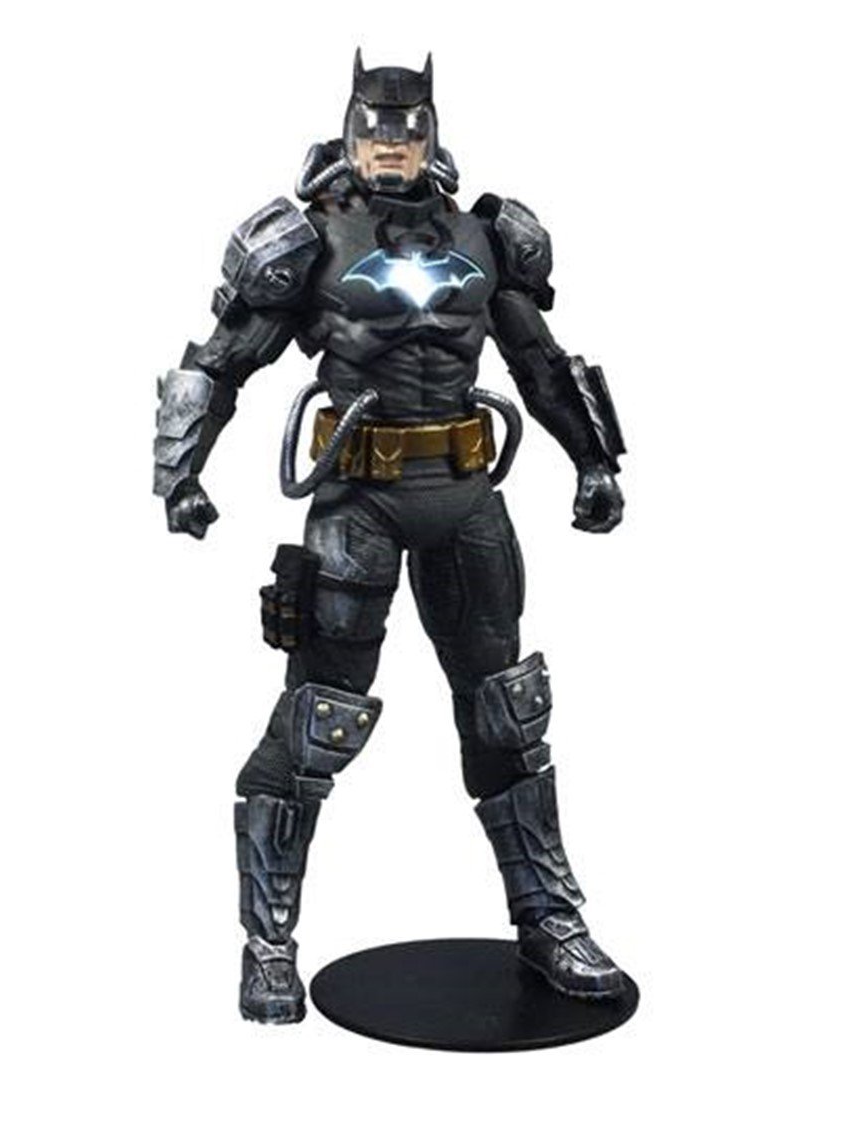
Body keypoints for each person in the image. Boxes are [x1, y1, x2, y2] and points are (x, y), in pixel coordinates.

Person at [153, 50, 629, 1024]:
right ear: (350, 127)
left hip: (465, 493)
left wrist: (593, 460)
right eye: (374, 128)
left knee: (508, 714)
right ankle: (269, 944)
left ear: (432, 134)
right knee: (318, 718)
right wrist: (180, 473)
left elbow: (541, 362)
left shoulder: (485, 236)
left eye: (407, 132)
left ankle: (548, 920)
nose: (390, 146)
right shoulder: (305, 241)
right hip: (357, 502)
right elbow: (221, 360)